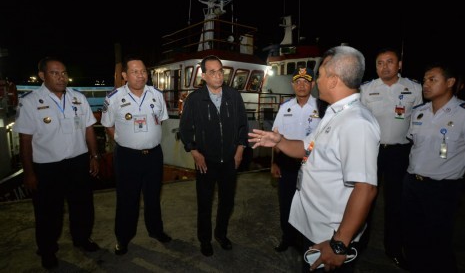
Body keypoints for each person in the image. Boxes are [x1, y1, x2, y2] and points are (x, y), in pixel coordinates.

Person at [249, 46, 380, 272]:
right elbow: (306, 147)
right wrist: (279, 140)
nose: (315, 82)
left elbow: (366, 188)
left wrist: (339, 244)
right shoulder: (334, 113)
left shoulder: (357, 123)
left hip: (331, 236)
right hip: (317, 229)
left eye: (318, 76)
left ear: (333, 80)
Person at [13, 57, 100, 269]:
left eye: (64, 73)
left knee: (83, 207)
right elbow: (25, 140)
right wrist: (29, 173)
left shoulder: (78, 98)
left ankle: (81, 239)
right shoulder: (31, 102)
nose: (62, 77)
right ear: (42, 76)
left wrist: (94, 156)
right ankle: (47, 250)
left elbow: (89, 129)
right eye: (55, 73)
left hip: (78, 163)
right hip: (47, 168)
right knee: (48, 212)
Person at [100, 55, 171, 256]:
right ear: (124, 75)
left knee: (153, 197)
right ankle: (123, 238)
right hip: (127, 157)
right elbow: (108, 125)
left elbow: (161, 121)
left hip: (153, 156)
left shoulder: (157, 95)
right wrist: (125, 141)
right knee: (126, 199)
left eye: (143, 71)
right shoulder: (113, 98)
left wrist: (147, 139)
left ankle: (156, 231)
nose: (141, 76)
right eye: (135, 72)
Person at [178, 55, 248, 257]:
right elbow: (185, 129)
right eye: (212, 72)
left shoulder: (234, 97)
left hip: (229, 160)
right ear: (204, 75)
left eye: (220, 71)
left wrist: (240, 149)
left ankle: (221, 234)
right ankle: (205, 239)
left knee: (227, 202)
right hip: (205, 161)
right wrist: (194, 151)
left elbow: (243, 126)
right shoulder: (195, 99)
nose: (218, 75)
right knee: (205, 203)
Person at [360, 47, 423, 269]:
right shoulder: (366, 89)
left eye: (389, 62)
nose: (384, 66)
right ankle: (360, 244)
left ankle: (394, 248)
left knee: (396, 203)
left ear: (399, 65)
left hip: (400, 153)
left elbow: (421, 120)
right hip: (372, 151)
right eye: (379, 62)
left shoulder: (414, 88)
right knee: (365, 199)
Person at [402, 62, 465, 273]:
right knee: (412, 239)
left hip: (442, 189)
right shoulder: (419, 112)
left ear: (450, 82)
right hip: (412, 185)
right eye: (424, 80)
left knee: (438, 244)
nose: (425, 85)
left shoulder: (462, 114)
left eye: (432, 80)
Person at [271, 67, 326, 252]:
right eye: (298, 82)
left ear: (312, 84)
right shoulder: (284, 108)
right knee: (286, 203)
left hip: (312, 165)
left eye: (306, 81)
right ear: (293, 84)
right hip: (287, 164)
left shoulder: (322, 108)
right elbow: (275, 138)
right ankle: (287, 238)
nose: (301, 85)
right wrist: (275, 162)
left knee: (309, 206)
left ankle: (307, 242)